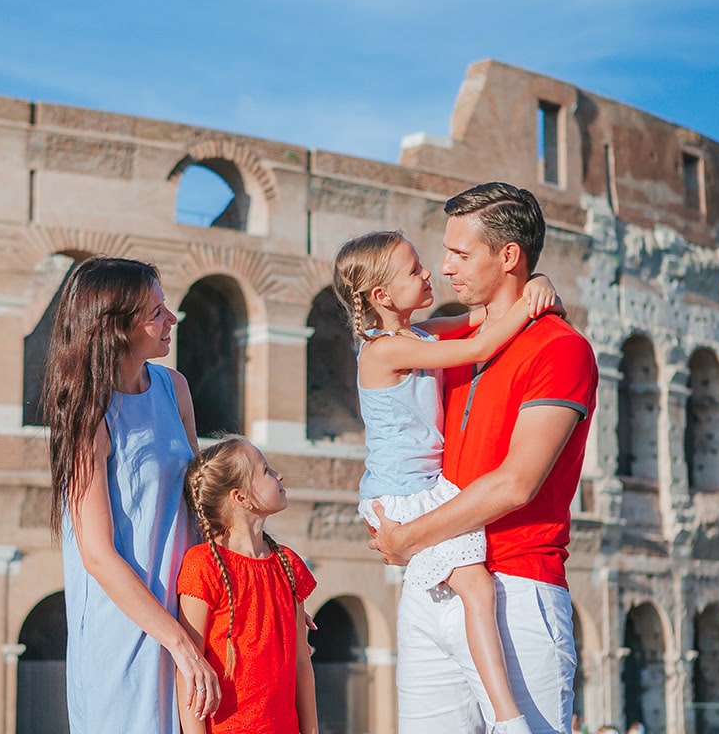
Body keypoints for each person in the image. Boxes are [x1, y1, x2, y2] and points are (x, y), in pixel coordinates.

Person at [367, 182, 599, 734]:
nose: (445, 268)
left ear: (509, 257)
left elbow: (515, 484)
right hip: (433, 583)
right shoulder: (445, 345)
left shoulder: (561, 349)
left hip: (517, 587)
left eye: (461, 254)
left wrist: (409, 536)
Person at [333, 229, 559, 734]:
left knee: (474, 592)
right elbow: (482, 341)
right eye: (414, 270)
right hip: (400, 495)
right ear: (382, 297)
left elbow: (485, 314)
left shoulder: (423, 334)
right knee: (477, 590)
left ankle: (501, 714)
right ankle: (508, 718)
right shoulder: (382, 351)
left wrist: (536, 282)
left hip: (422, 487)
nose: (429, 272)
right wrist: (531, 306)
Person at [43, 256, 221, 733]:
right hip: (123, 629)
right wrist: (178, 644)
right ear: (116, 328)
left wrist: (262, 581)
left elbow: (201, 506)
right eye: (156, 312)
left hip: (187, 614)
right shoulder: (86, 414)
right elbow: (97, 555)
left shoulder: (174, 387)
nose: (172, 320)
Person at [175, 436, 318, 734]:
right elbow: (188, 671)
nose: (278, 475)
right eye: (265, 470)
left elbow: (302, 665)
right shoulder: (203, 565)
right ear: (240, 497)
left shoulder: (289, 565)